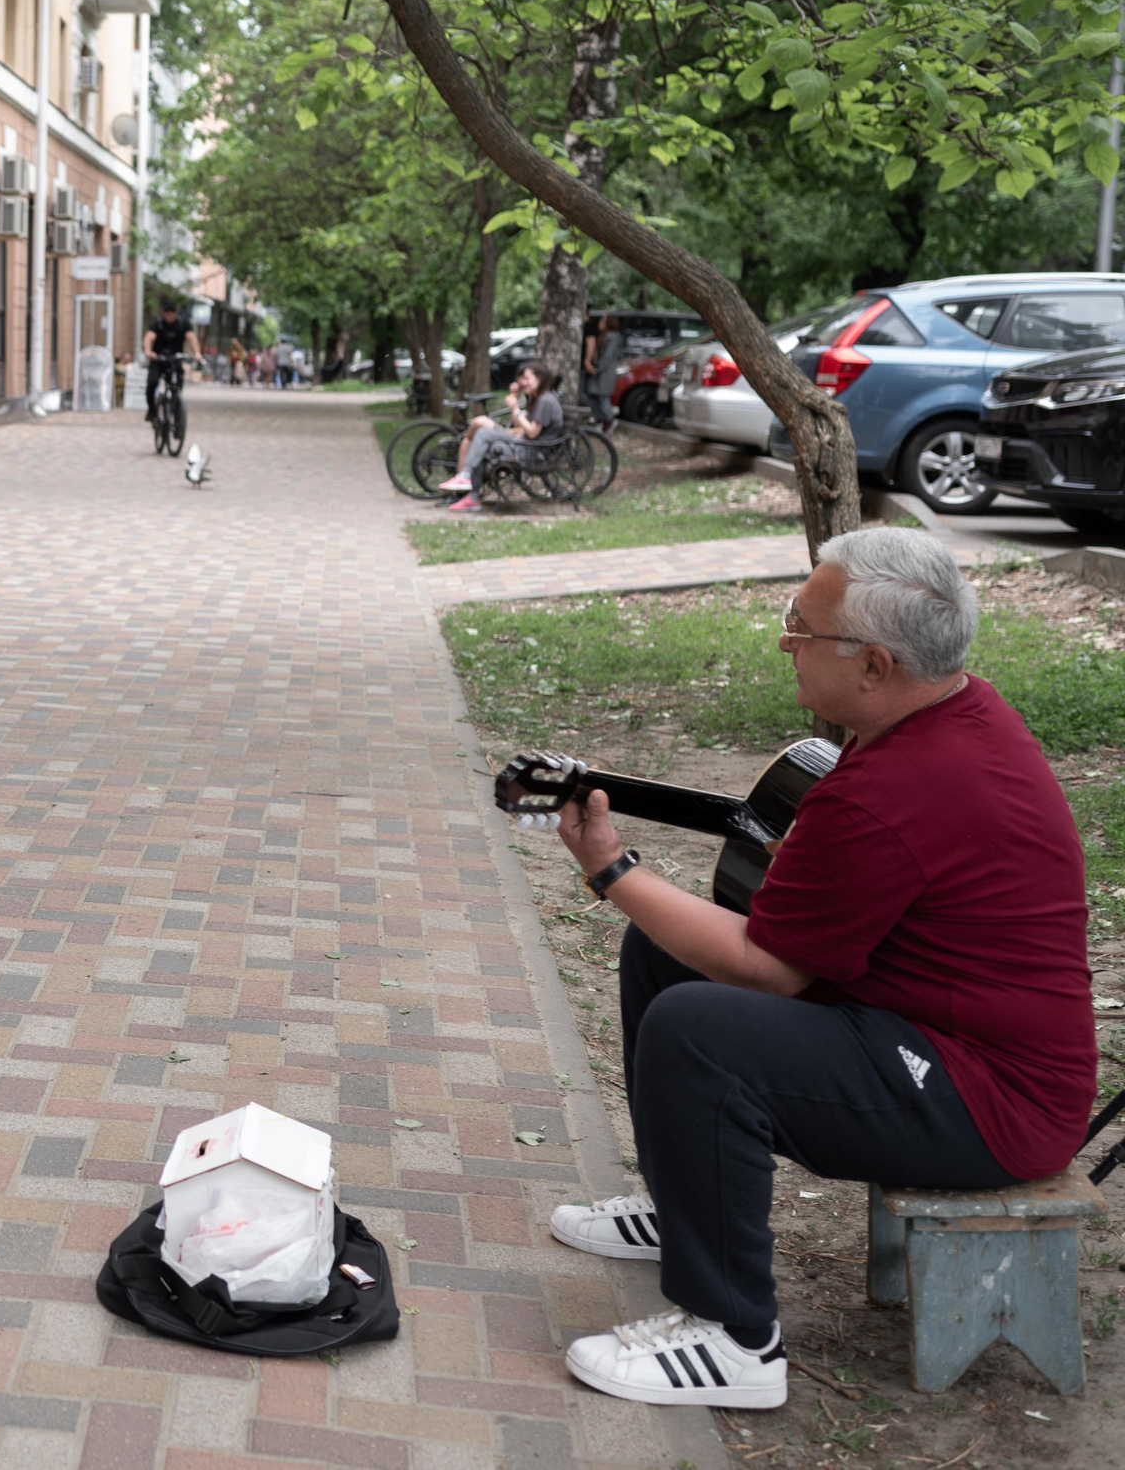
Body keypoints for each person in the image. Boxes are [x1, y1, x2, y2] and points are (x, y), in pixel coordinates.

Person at [539, 528, 1092, 1410]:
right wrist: (638, 895)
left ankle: (734, 1339)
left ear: (874, 664)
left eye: (801, 626)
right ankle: (683, 1214)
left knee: (700, 1028)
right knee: (666, 949)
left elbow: (768, 971)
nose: (786, 640)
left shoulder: (895, 786)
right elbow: (781, 937)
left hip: (995, 1100)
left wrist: (612, 869)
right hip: (934, 1029)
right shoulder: (952, 714)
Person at [439, 360, 561, 510]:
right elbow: (520, 427)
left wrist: (516, 409)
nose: (523, 382)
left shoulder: (545, 400)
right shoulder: (539, 400)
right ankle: (472, 497)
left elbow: (532, 433)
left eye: (527, 378)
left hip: (532, 451)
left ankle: (465, 477)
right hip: (527, 446)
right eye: (523, 378)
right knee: (482, 442)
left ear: (540, 379)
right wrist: (514, 406)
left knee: (483, 434)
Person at [144, 303, 191, 420]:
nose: (169, 314)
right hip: (158, 359)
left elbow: (192, 338)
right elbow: (149, 337)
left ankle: (177, 412)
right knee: (152, 382)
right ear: (163, 312)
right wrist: (148, 351)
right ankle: (152, 410)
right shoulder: (157, 324)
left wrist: (197, 353)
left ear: (176, 312)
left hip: (175, 360)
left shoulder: (183, 324)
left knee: (177, 386)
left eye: (172, 311)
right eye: (167, 311)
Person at [584, 312, 623, 426]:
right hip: (603, 371)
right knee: (598, 396)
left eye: (603, 321)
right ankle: (603, 419)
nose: (599, 323)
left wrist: (597, 369)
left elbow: (607, 356)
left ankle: (608, 421)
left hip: (605, 372)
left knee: (603, 397)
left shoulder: (612, 337)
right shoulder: (605, 336)